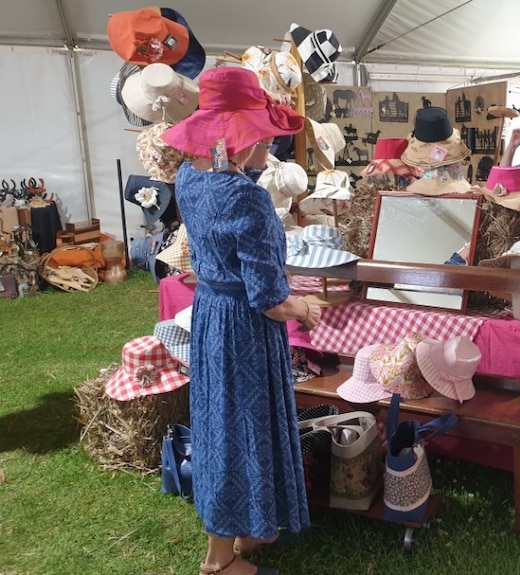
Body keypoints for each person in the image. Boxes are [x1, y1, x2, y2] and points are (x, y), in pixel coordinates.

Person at [162, 67, 321, 575]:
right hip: (245, 330)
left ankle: (245, 532)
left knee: (220, 426)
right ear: (242, 136)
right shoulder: (247, 197)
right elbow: (268, 298)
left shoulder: (189, 179)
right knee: (238, 430)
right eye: (261, 134)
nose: (268, 146)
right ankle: (218, 561)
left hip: (211, 315)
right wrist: (305, 308)